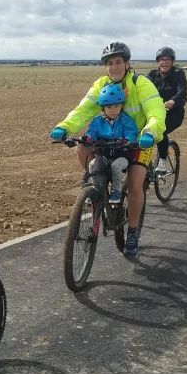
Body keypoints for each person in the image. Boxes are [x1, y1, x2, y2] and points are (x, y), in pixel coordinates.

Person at [50, 41, 166, 256]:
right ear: (106, 66)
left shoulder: (141, 84)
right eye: (110, 63)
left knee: (133, 184)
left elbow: (156, 112)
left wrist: (149, 132)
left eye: (118, 62)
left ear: (127, 63)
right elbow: (83, 110)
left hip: (138, 142)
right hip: (108, 142)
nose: (114, 67)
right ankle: (98, 189)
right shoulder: (101, 84)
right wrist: (64, 127)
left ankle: (132, 232)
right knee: (82, 148)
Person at [82, 84, 140, 204]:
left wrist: (127, 139)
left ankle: (116, 191)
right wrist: (88, 137)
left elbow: (131, 132)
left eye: (116, 106)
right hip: (104, 155)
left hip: (122, 156)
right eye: (109, 107)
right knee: (92, 165)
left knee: (116, 166)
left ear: (122, 105)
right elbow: (92, 131)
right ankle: (96, 190)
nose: (113, 110)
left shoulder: (126, 120)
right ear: (103, 108)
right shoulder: (98, 121)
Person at [146, 46, 187, 173]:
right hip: (156, 112)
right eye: (162, 59)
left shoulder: (178, 74)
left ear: (172, 62)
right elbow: (144, 88)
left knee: (160, 129)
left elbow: (182, 91)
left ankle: (162, 161)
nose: (164, 62)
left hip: (174, 113)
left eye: (168, 59)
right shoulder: (152, 75)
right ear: (158, 62)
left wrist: (172, 101)